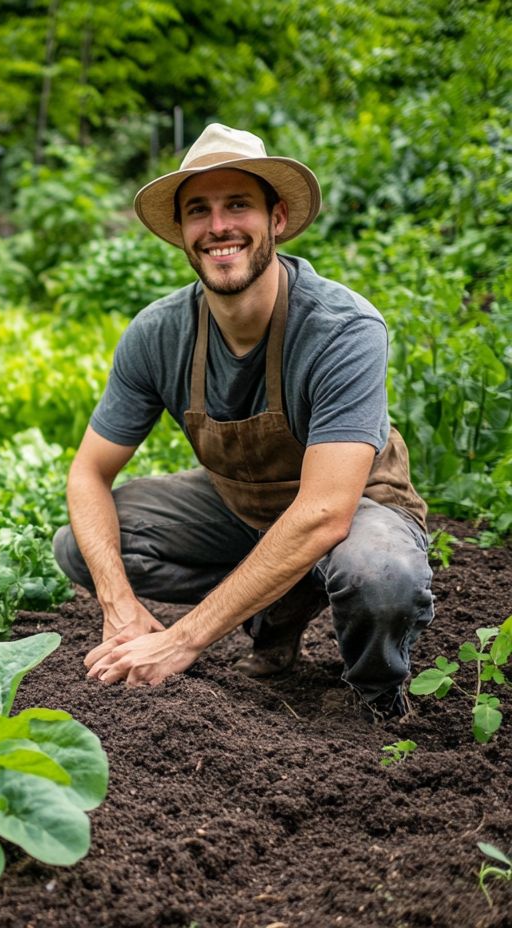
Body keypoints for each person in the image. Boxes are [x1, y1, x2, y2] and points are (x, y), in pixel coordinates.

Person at [53, 124, 433, 720]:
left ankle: (375, 702)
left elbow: (325, 512)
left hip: (355, 504)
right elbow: (87, 474)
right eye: (198, 210)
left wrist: (181, 640)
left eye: (238, 205)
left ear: (276, 218)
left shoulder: (342, 329)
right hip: (240, 506)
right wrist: (119, 607)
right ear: (181, 231)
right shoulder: (158, 333)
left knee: (380, 575)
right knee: (83, 542)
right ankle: (278, 598)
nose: (218, 226)